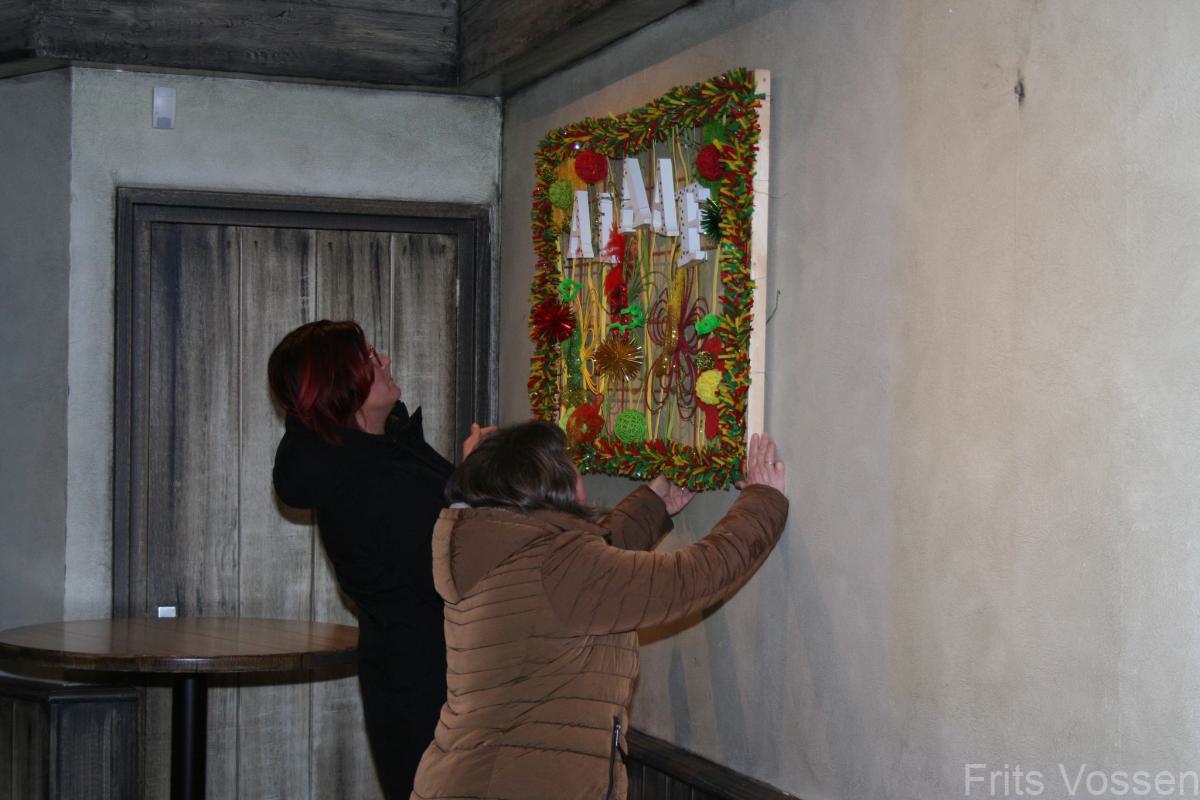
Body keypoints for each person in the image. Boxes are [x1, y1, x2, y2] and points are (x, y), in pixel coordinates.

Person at [411, 421, 788, 800]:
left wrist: (654, 503)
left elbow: (588, 572)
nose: (577, 471)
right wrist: (763, 499)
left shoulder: (498, 545)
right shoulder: (557, 565)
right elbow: (689, 578)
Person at [268, 319, 490, 798]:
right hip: (430, 692)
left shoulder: (379, 452)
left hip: (431, 679)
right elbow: (458, 567)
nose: (385, 360)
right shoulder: (364, 483)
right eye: (370, 359)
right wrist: (480, 478)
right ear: (341, 385)